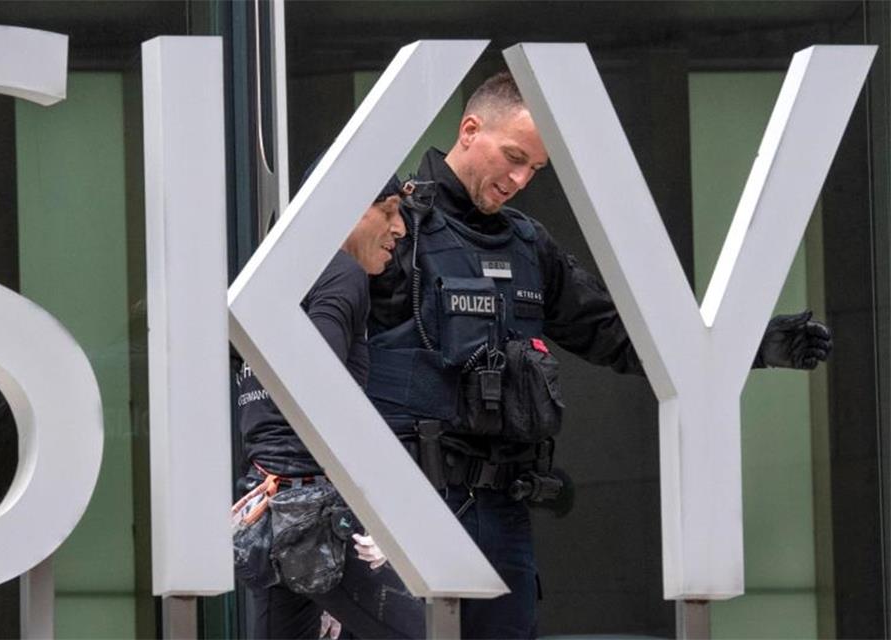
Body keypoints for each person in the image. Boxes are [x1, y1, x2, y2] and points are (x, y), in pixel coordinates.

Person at [365, 71, 833, 639]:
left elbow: (617, 332)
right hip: (401, 508)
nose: (519, 179)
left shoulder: (529, 244)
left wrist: (751, 342)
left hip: (501, 513)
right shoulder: (394, 229)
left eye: (534, 168)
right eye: (513, 156)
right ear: (469, 130)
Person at [235, 175, 425, 639]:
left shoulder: (269, 284)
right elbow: (313, 387)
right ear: (347, 208)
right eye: (388, 210)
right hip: (320, 513)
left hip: (269, 510)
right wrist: (375, 510)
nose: (400, 229)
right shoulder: (342, 274)